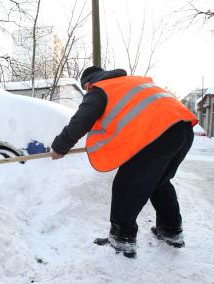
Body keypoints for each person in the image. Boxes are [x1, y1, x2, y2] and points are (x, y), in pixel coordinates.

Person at [51, 66, 197, 258]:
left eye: (87, 89)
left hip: (157, 134)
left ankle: (122, 238)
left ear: (88, 83)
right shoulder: (133, 82)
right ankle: (171, 231)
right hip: (183, 129)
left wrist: (60, 147)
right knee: (159, 183)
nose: (88, 92)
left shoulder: (99, 89)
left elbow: (81, 120)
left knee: (126, 186)